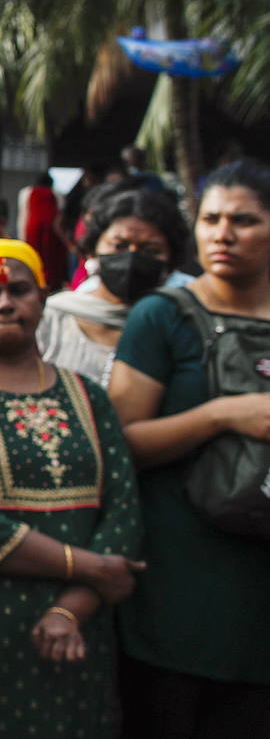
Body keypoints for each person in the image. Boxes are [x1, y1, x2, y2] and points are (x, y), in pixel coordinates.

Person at [0, 239, 144, 738]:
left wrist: (69, 609)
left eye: (19, 290)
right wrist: (91, 567)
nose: (6, 303)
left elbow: (122, 511)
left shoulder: (88, 396)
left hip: (81, 624)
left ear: (43, 297)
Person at [109, 160, 270, 736]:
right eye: (211, 219)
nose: (223, 234)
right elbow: (120, 443)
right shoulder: (162, 316)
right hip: (177, 583)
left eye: (244, 220)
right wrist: (223, 415)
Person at [37, 188, 188, 386]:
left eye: (150, 250)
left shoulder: (181, 323)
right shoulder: (51, 318)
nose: (132, 257)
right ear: (92, 250)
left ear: (171, 260)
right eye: (119, 246)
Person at [18, 172, 68, 292]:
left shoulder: (26, 192)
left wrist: (21, 238)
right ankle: (51, 286)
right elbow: (59, 218)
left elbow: (23, 215)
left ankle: (34, 283)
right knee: (51, 261)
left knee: (33, 257)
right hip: (52, 233)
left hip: (32, 230)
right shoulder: (57, 194)